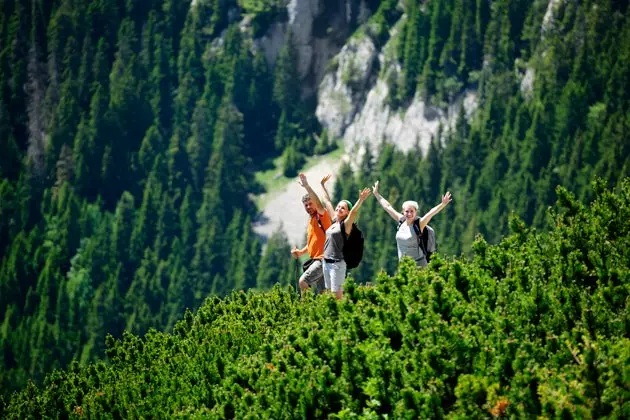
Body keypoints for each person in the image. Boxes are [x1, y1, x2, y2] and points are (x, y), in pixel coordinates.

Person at [372, 180, 452, 267]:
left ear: (416, 212)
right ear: (403, 211)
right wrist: (376, 194)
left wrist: (443, 204)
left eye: (412, 211)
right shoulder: (401, 221)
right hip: (404, 265)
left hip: (418, 266)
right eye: (407, 211)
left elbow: (431, 213)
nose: (409, 214)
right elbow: (387, 207)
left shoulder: (419, 225)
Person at [320, 181, 371, 299]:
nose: (339, 208)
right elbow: (327, 202)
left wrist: (361, 199)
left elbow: (354, 212)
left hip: (337, 264)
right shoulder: (334, 221)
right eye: (338, 206)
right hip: (326, 263)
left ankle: (341, 316)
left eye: (343, 208)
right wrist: (323, 186)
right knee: (329, 295)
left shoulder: (346, 225)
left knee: (337, 297)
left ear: (347, 212)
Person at [291, 173, 332, 294]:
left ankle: (305, 308)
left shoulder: (322, 215)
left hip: (323, 259)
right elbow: (313, 243)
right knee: (325, 294)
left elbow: (319, 204)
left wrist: (307, 186)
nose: (308, 206)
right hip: (317, 260)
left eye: (310, 204)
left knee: (303, 281)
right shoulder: (311, 221)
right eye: (306, 205)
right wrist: (300, 252)